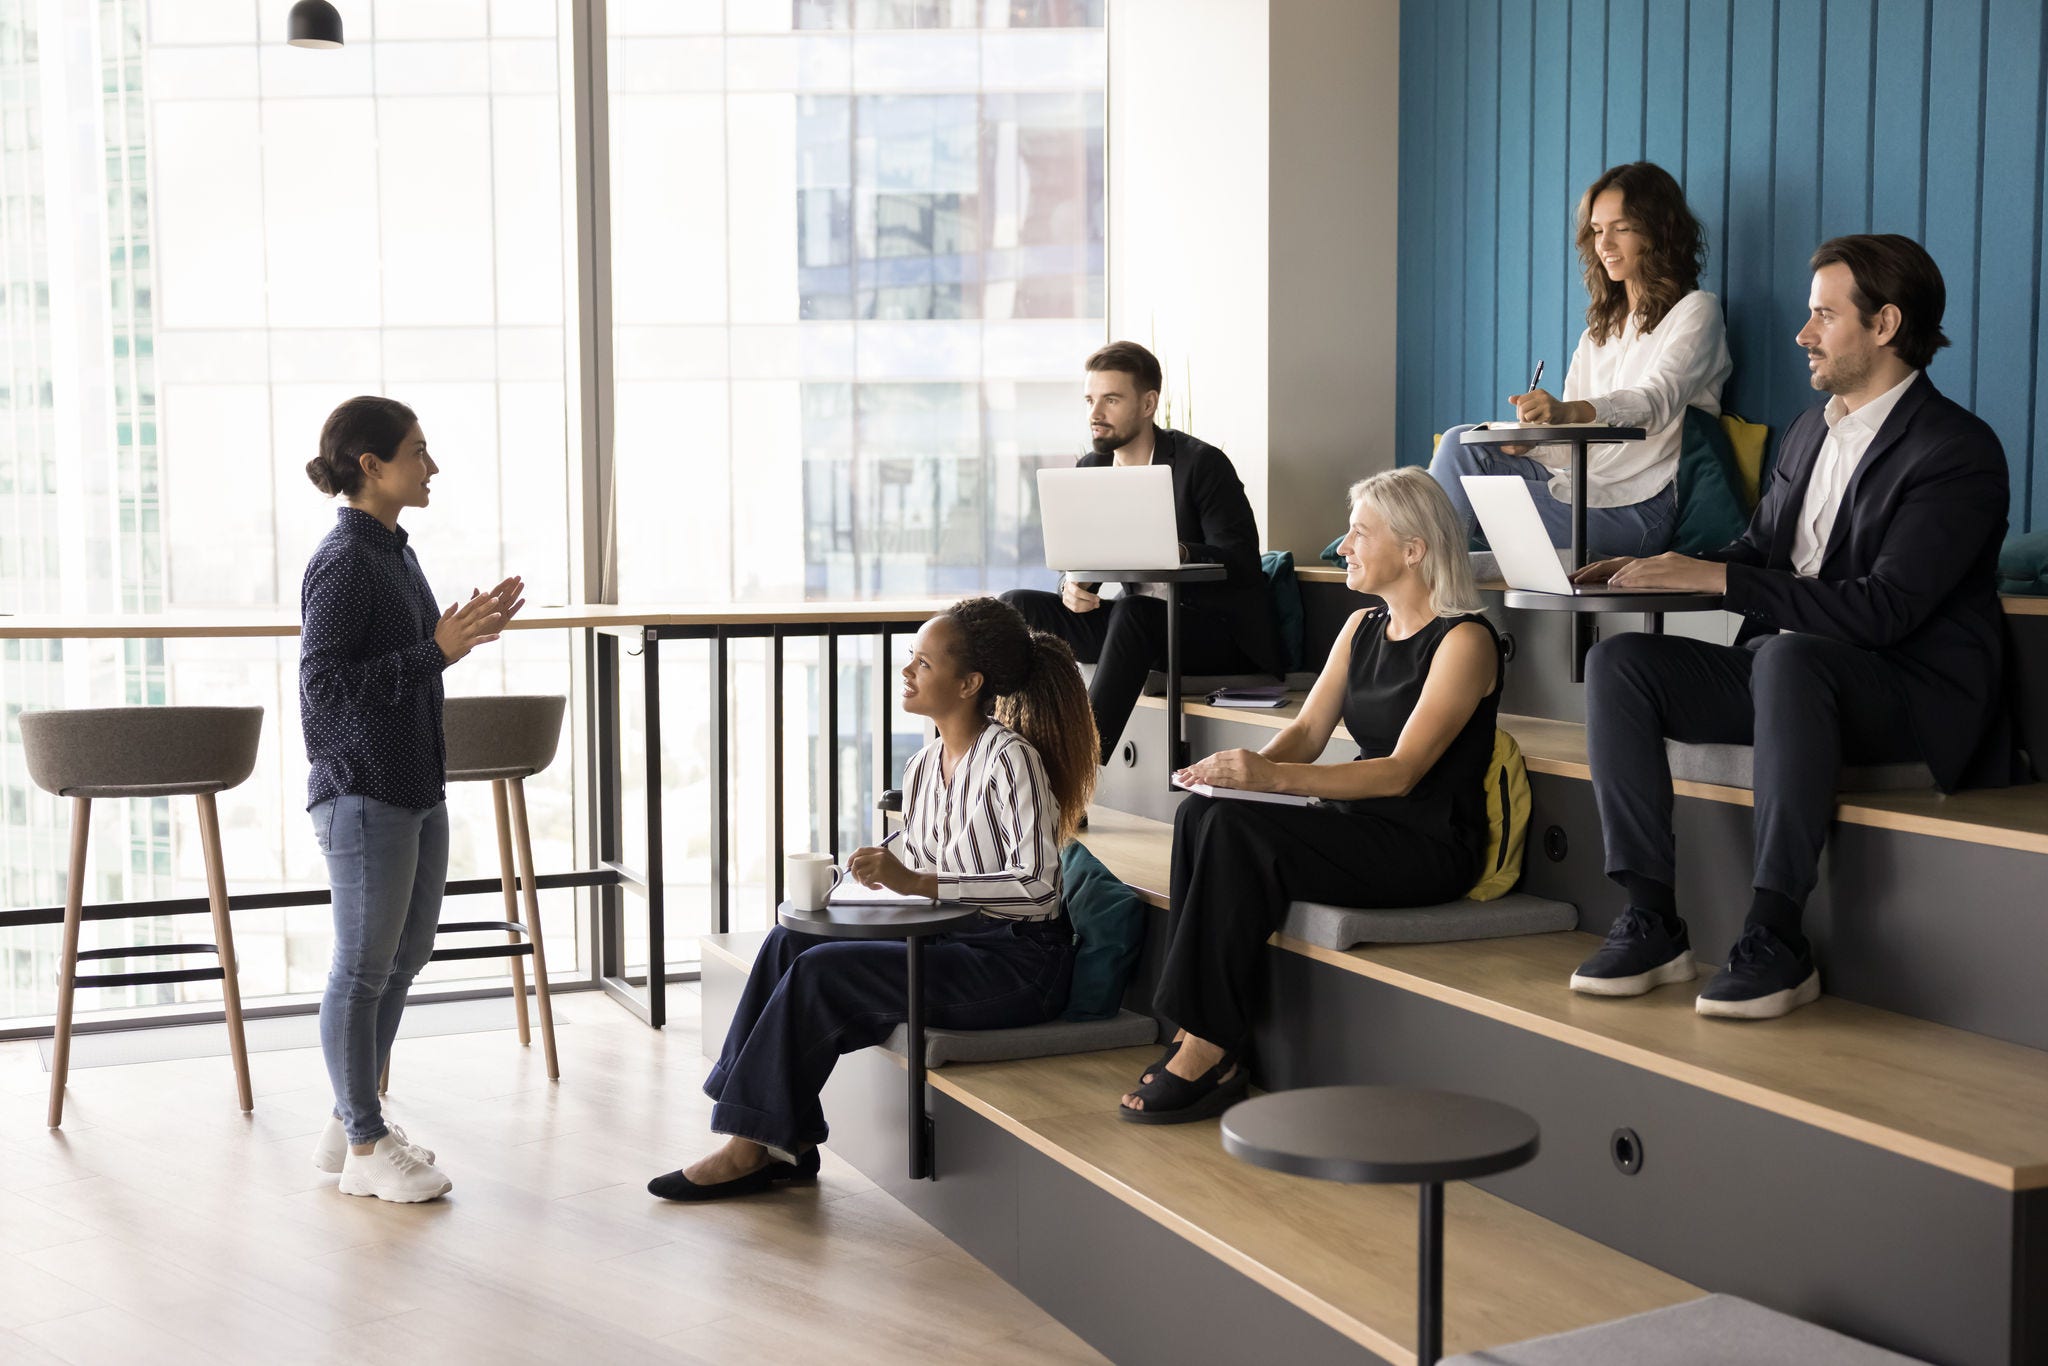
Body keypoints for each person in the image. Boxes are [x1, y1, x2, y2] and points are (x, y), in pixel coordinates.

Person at [1568, 234, 2015, 1020]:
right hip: (1794, 678)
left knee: (1788, 659)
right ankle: (1650, 919)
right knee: (1622, 665)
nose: (1803, 334)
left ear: (1884, 325)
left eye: (1821, 316)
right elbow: (1758, 554)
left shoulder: (1956, 450)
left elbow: (1886, 611)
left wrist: (1727, 578)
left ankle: (1776, 935)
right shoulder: (1810, 431)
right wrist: (1666, 562)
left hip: (1907, 691)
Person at [652, 597, 1098, 1201]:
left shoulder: (1010, 762)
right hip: (949, 939)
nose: (907, 671)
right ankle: (780, 1141)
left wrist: (918, 883)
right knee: (791, 939)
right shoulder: (921, 766)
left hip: (1017, 962)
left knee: (820, 974)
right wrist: (883, 875)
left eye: (922, 662)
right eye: (910, 658)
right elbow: (919, 862)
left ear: (969, 684)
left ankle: (748, 1148)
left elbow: (1040, 888)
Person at [1120, 468, 1501, 1123]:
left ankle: (1210, 1045)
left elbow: (1400, 773)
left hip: (1428, 845)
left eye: (1358, 533)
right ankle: (1191, 1029)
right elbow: (1305, 732)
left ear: (1413, 549)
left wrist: (1268, 781)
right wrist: (1240, 777)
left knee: (1235, 831)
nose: (1341, 547)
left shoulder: (1465, 641)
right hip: (1360, 828)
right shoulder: (1360, 628)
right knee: (1205, 815)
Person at [300, 396, 525, 1202]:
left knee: (405, 957)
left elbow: (410, 662)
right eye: (419, 452)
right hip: (363, 792)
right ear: (373, 466)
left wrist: (450, 642)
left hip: (414, 787)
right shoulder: (344, 560)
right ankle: (364, 1142)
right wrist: (433, 649)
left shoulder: (395, 552)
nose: (432, 466)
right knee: (361, 970)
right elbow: (323, 690)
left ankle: (348, 1121)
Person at [1427, 161, 1733, 559]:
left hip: (1639, 509)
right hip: (1578, 488)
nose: (1604, 244)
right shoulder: (1598, 333)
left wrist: (1571, 410)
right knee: (1462, 444)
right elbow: (1571, 447)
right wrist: (1532, 445)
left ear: (1660, 231)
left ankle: (1427, 588)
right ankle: (1433, 584)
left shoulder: (1696, 311)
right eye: (1597, 230)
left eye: (1621, 228)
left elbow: (1655, 403)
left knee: (1440, 521)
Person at [1003, 340, 1284, 764]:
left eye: (1111, 400)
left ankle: (1071, 770)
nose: (1095, 414)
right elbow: (1084, 557)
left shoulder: (1201, 465)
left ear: (1148, 403)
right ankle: (991, 755)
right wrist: (1072, 585)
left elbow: (1242, 561)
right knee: (1016, 606)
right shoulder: (1093, 470)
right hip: (1135, 631)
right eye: (1090, 400)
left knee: (1133, 613)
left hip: (1216, 635)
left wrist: (1180, 552)